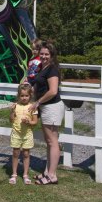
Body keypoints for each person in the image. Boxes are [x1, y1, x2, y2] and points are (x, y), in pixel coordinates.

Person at [30, 40, 65, 185]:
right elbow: (38, 85)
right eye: (42, 53)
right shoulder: (42, 68)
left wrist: (38, 102)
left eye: (47, 54)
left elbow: (53, 91)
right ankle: (47, 172)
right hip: (46, 107)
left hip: (51, 107)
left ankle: (52, 176)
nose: (44, 56)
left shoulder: (52, 70)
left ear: (52, 55)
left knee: (52, 141)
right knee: (49, 142)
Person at [9, 83, 38, 185]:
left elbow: (35, 122)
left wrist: (28, 122)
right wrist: (12, 111)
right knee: (16, 153)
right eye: (22, 96)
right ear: (18, 96)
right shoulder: (15, 106)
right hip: (16, 133)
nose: (24, 98)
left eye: (26, 96)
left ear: (30, 96)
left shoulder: (32, 107)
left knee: (26, 154)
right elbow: (11, 120)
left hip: (27, 134)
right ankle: (14, 174)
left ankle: (25, 175)